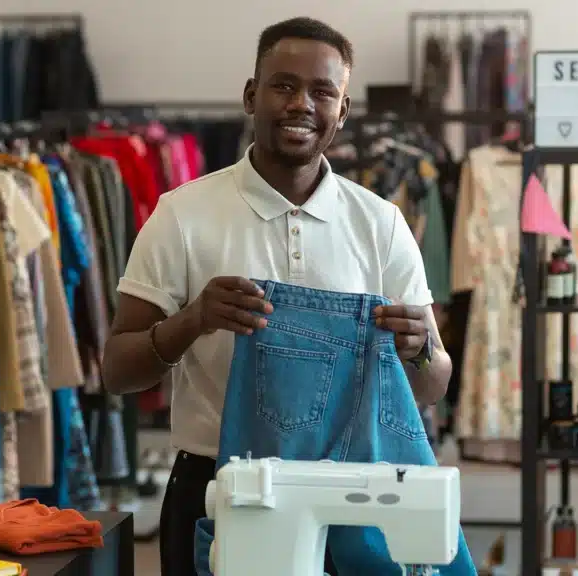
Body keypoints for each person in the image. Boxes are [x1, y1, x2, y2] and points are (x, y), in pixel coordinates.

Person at [101, 16, 453, 576]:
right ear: (250, 95)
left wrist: (420, 351)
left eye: (322, 92)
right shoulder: (182, 216)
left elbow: (434, 385)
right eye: (283, 85)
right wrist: (193, 321)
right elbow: (117, 371)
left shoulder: (381, 225)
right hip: (214, 486)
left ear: (343, 111)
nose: (301, 104)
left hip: (349, 498)